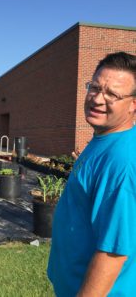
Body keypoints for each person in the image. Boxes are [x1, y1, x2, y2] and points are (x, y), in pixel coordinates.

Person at [47, 51, 136, 296]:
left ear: (133, 104)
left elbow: (113, 251)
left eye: (112, 94)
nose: (97, 99)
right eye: (94, 88)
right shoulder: (103, 139)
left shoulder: (122, 160)